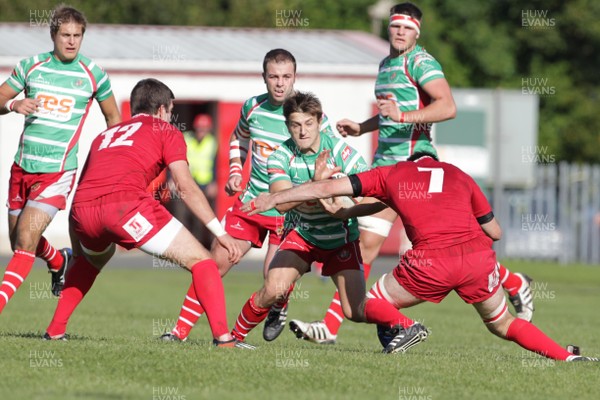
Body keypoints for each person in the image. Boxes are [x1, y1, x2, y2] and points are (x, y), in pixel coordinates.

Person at [293, 1, 533, 344]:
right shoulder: (385, 64)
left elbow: (447, 107)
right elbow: (393, 111)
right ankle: (512, 282)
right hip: (388, 167)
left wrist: (404, 117)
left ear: (416, 31)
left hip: (414, 167)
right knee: (368, 244)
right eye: (395, 26)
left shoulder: (421, 62)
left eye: (406, 28)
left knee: (375, 243)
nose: (399, 32)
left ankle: (334, 327)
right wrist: (363, 127)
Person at [243, 150, 598, 361]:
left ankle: (408, 328)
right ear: (436, 163)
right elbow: (496, 233)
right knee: (504, 324)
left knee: (365, 302)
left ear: (410, 162)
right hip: (477, 258)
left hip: (431, 263)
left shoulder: (394, 174)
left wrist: (274, 199)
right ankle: (567, 357)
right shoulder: (460, 175)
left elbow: (328, 187)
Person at [43, 78, 253, 350]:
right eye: (171, 111)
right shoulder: (165, 130)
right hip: (125, 207)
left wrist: (77, 249)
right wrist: (221, 234)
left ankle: (55, 331)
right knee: (204, 262)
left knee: (94, 259)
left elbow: (83, 189)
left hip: (83, 211)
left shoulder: (105, 135)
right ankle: (224, 340)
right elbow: (185, 187)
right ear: (163, 109)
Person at [160, 49, 335, 343]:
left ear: (295, 77)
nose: (280, 83)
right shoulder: (252, 107)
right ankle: (178, 333)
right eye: (273, 76)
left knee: (273, 280)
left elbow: (328, 159)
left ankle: (278, 305)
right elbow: (238, 137)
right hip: (253, 203)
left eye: (286, 77)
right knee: (216, 262)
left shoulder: (311, 117)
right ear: (264, 77)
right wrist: (235, 171)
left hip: (291, 211)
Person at [229, 91, 424, 351]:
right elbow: (283, 202)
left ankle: (409, 326)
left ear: (320, 121)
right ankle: (231, 340)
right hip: (301, 235)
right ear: (287, 125)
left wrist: (345, 212)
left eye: (308, 124)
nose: (302, 131)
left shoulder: (341, 152)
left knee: (354, 310)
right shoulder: (279, 156)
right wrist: (318, 184)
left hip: (341, 239)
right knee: (274, 289)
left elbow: (380, 197)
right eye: (295, 125)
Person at [0, 5, 121, 315]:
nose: (71, 41)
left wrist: (113, 166)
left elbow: (113, 120)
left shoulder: (93, 74)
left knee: (26, 242)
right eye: (65, 35)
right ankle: (59, 260)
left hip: (57, 172)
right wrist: (14, 104)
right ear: (53, 34)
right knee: (19, 241)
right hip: (22, 167)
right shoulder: (31, 66)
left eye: (77, 36)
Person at [169, 113, 218, 248]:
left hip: (204, 184)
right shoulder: (186, 138)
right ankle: (180, 244)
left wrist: (214, 182)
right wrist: (171, 178)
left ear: (209, 129)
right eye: (199, 128)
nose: (201, 131)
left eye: (204, 128)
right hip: (184, 181)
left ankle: (198, 245)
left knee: (200, 217)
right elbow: (173, 159)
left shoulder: (212, 142)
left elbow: (215, 163)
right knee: (181, 215)